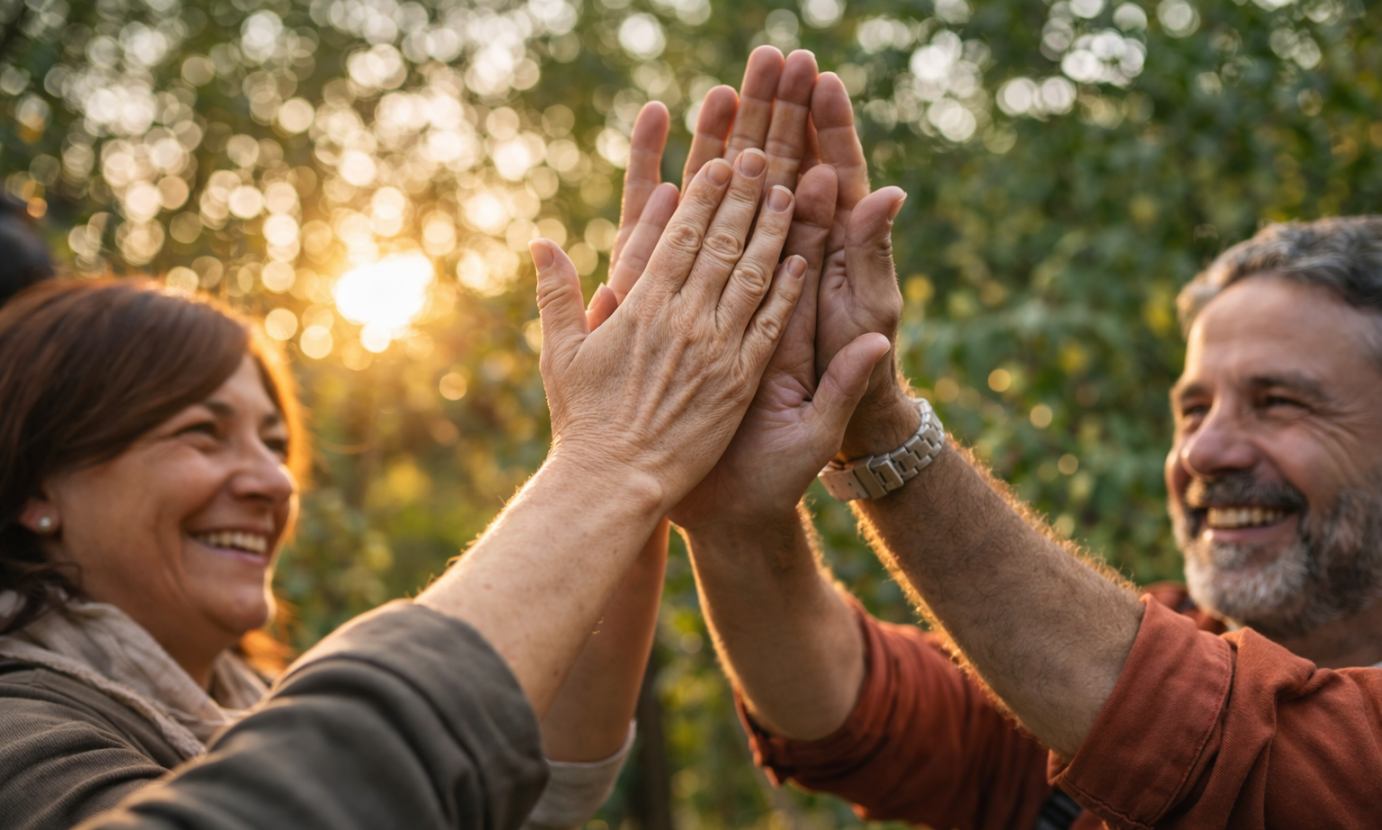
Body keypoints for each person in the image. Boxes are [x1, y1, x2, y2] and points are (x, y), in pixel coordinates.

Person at [0, 110, 890, 826]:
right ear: (41, 484)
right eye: (201, 433)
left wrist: (657, 460)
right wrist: (615, 457)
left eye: (276, 444)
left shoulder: (242, 702)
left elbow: (537, 788)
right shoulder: (23, 734)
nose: (271, 483)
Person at [668, 70, 1382, 826]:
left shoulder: (1110, 682)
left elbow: (1217, 744)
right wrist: (739, 521)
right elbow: (848, 710)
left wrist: (879, 423)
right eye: (1194, 408)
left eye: (1277, 403)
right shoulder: (1097, 663)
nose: (1204, 451)